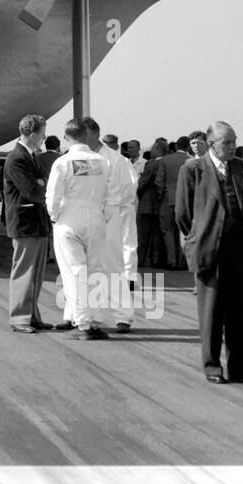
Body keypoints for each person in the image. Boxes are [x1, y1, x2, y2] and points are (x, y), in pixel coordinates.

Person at [176, 121, 243, 384]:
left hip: (240, 250)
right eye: (226, 142)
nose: (232, 146)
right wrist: (197, 237)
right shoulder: (193, 169)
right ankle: (213, 365)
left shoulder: (241, 166)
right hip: (209, 250)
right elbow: (183, 213)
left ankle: (242, 368)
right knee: (212, 312)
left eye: (234, 141)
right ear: (211, 143)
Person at [46, 116, 117, 341]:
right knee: (96, 270)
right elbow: (114, 196)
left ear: (66, 137)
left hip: (69, 217)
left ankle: (83, 323)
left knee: (74, 272)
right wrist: (104, 217)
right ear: (87, 136)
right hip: (96, 218)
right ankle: (94, 320)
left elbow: (53, 196)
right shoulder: (103, 161)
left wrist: (55, 217)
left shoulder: (63, 162)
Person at [3, 114, 52, 332]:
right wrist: (42, 184)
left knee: (36, 273)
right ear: (32, 135)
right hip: (26, 223)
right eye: (43, 133)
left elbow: (41, 184)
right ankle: (20, 318)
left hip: (36, 222)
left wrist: (42, 183)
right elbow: (33, 190)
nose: (44, 138)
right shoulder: (17, 158)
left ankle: (32, 315)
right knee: (24, 271)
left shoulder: (30, 155)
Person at [97, 125, 138, 331]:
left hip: (116, 214)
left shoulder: (119, 161)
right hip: (93, 218)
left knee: (119, 257)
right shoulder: (85, 158)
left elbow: (129, 189)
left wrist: (113, 209)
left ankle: (122, 314)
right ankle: (82, 317)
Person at [159, 138, 191, 270]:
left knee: (168, 230)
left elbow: (159, 182)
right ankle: (184, 260)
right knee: (184, 231)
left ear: (176, 145)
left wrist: (160, 197)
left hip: (168, 199)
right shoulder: (191, 161)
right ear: (188, 146)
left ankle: (172, 260)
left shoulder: (165, 160)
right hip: (186, 200)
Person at [136, 140, 167, 268]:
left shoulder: (151, 163)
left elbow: (143, 182)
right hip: (160, 203)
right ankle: (155, 260)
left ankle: (141, 260)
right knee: (156, 235)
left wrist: (138, 193)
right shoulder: (166, 162)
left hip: (147, 203)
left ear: (158, 149)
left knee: (143, 235)